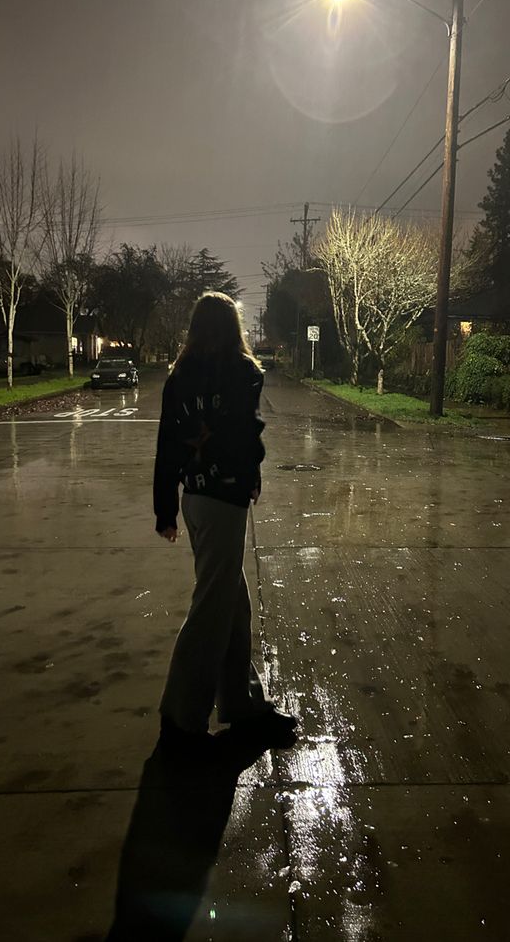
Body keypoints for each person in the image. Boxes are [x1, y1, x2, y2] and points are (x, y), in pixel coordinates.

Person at [153, 291, 297, 753]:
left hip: (194, 499)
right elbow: (247, 433)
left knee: (232, 605)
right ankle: (180, 717)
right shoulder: (242, 371)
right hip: (224, 501)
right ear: (234, 327)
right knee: (212, 610)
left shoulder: (178, 378)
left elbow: (167, 445)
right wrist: (251, 474)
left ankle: (241, 702)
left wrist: (165, 509)